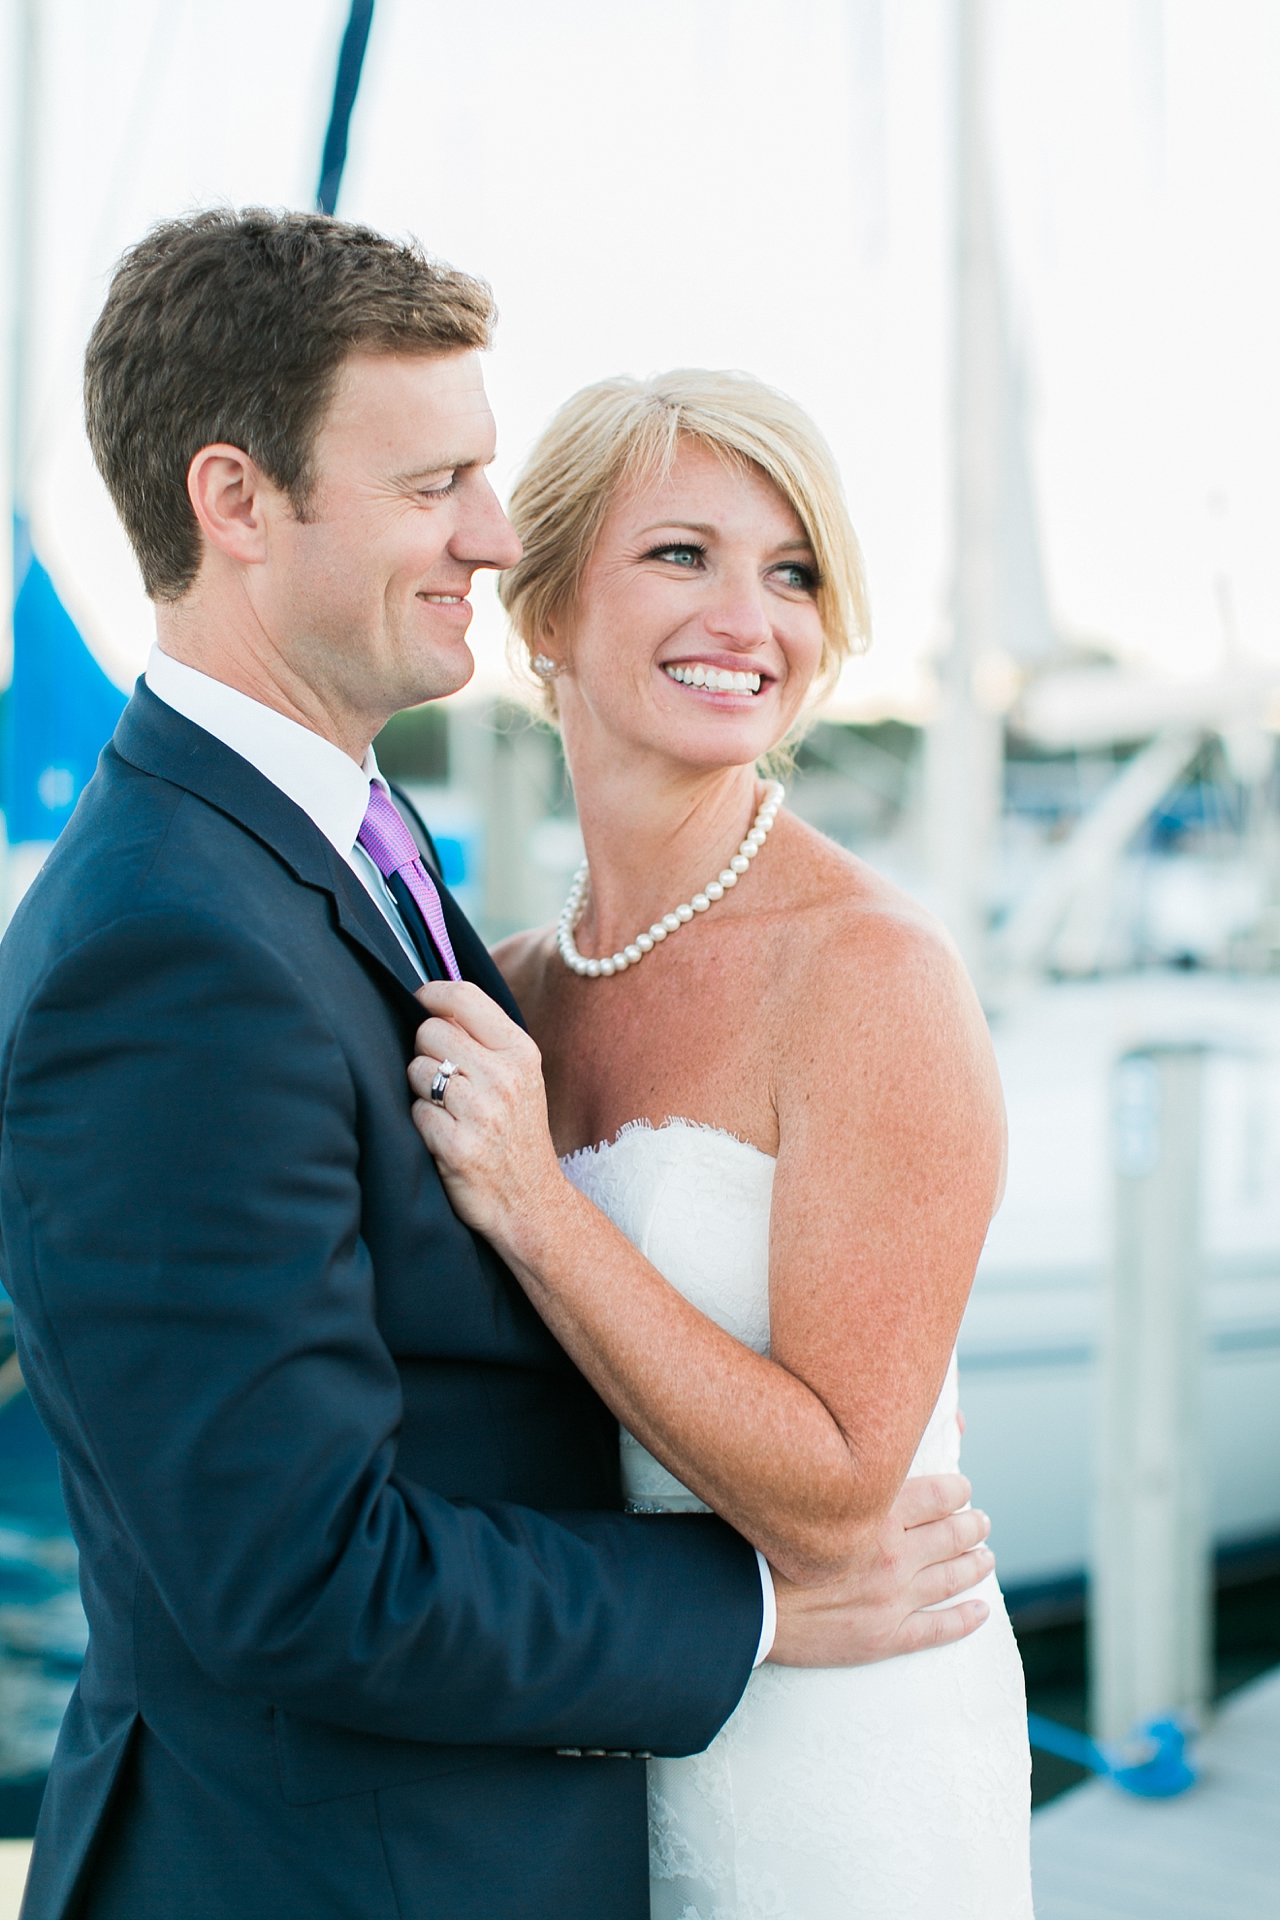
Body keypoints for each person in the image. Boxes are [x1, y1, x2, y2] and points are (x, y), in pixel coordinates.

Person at [0, 216, 994, 1920]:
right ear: (236, 504)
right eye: (433, 483)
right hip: (348, 1860)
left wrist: (542, 1206)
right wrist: (746, 1611)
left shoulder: (368, 876)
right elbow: (296, 1574)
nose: (487, 524)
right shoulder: (175, 943)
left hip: (726, 1783)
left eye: (793, 570)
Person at [406, 370, 1035, 1916]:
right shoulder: (517, 992)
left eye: (794, 569)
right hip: (601, 1736)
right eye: (682, 554)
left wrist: (535, 1207)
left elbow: (834, 1491)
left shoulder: (867, 973)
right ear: (542, 610)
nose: (749, 616)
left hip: (844, 1760)